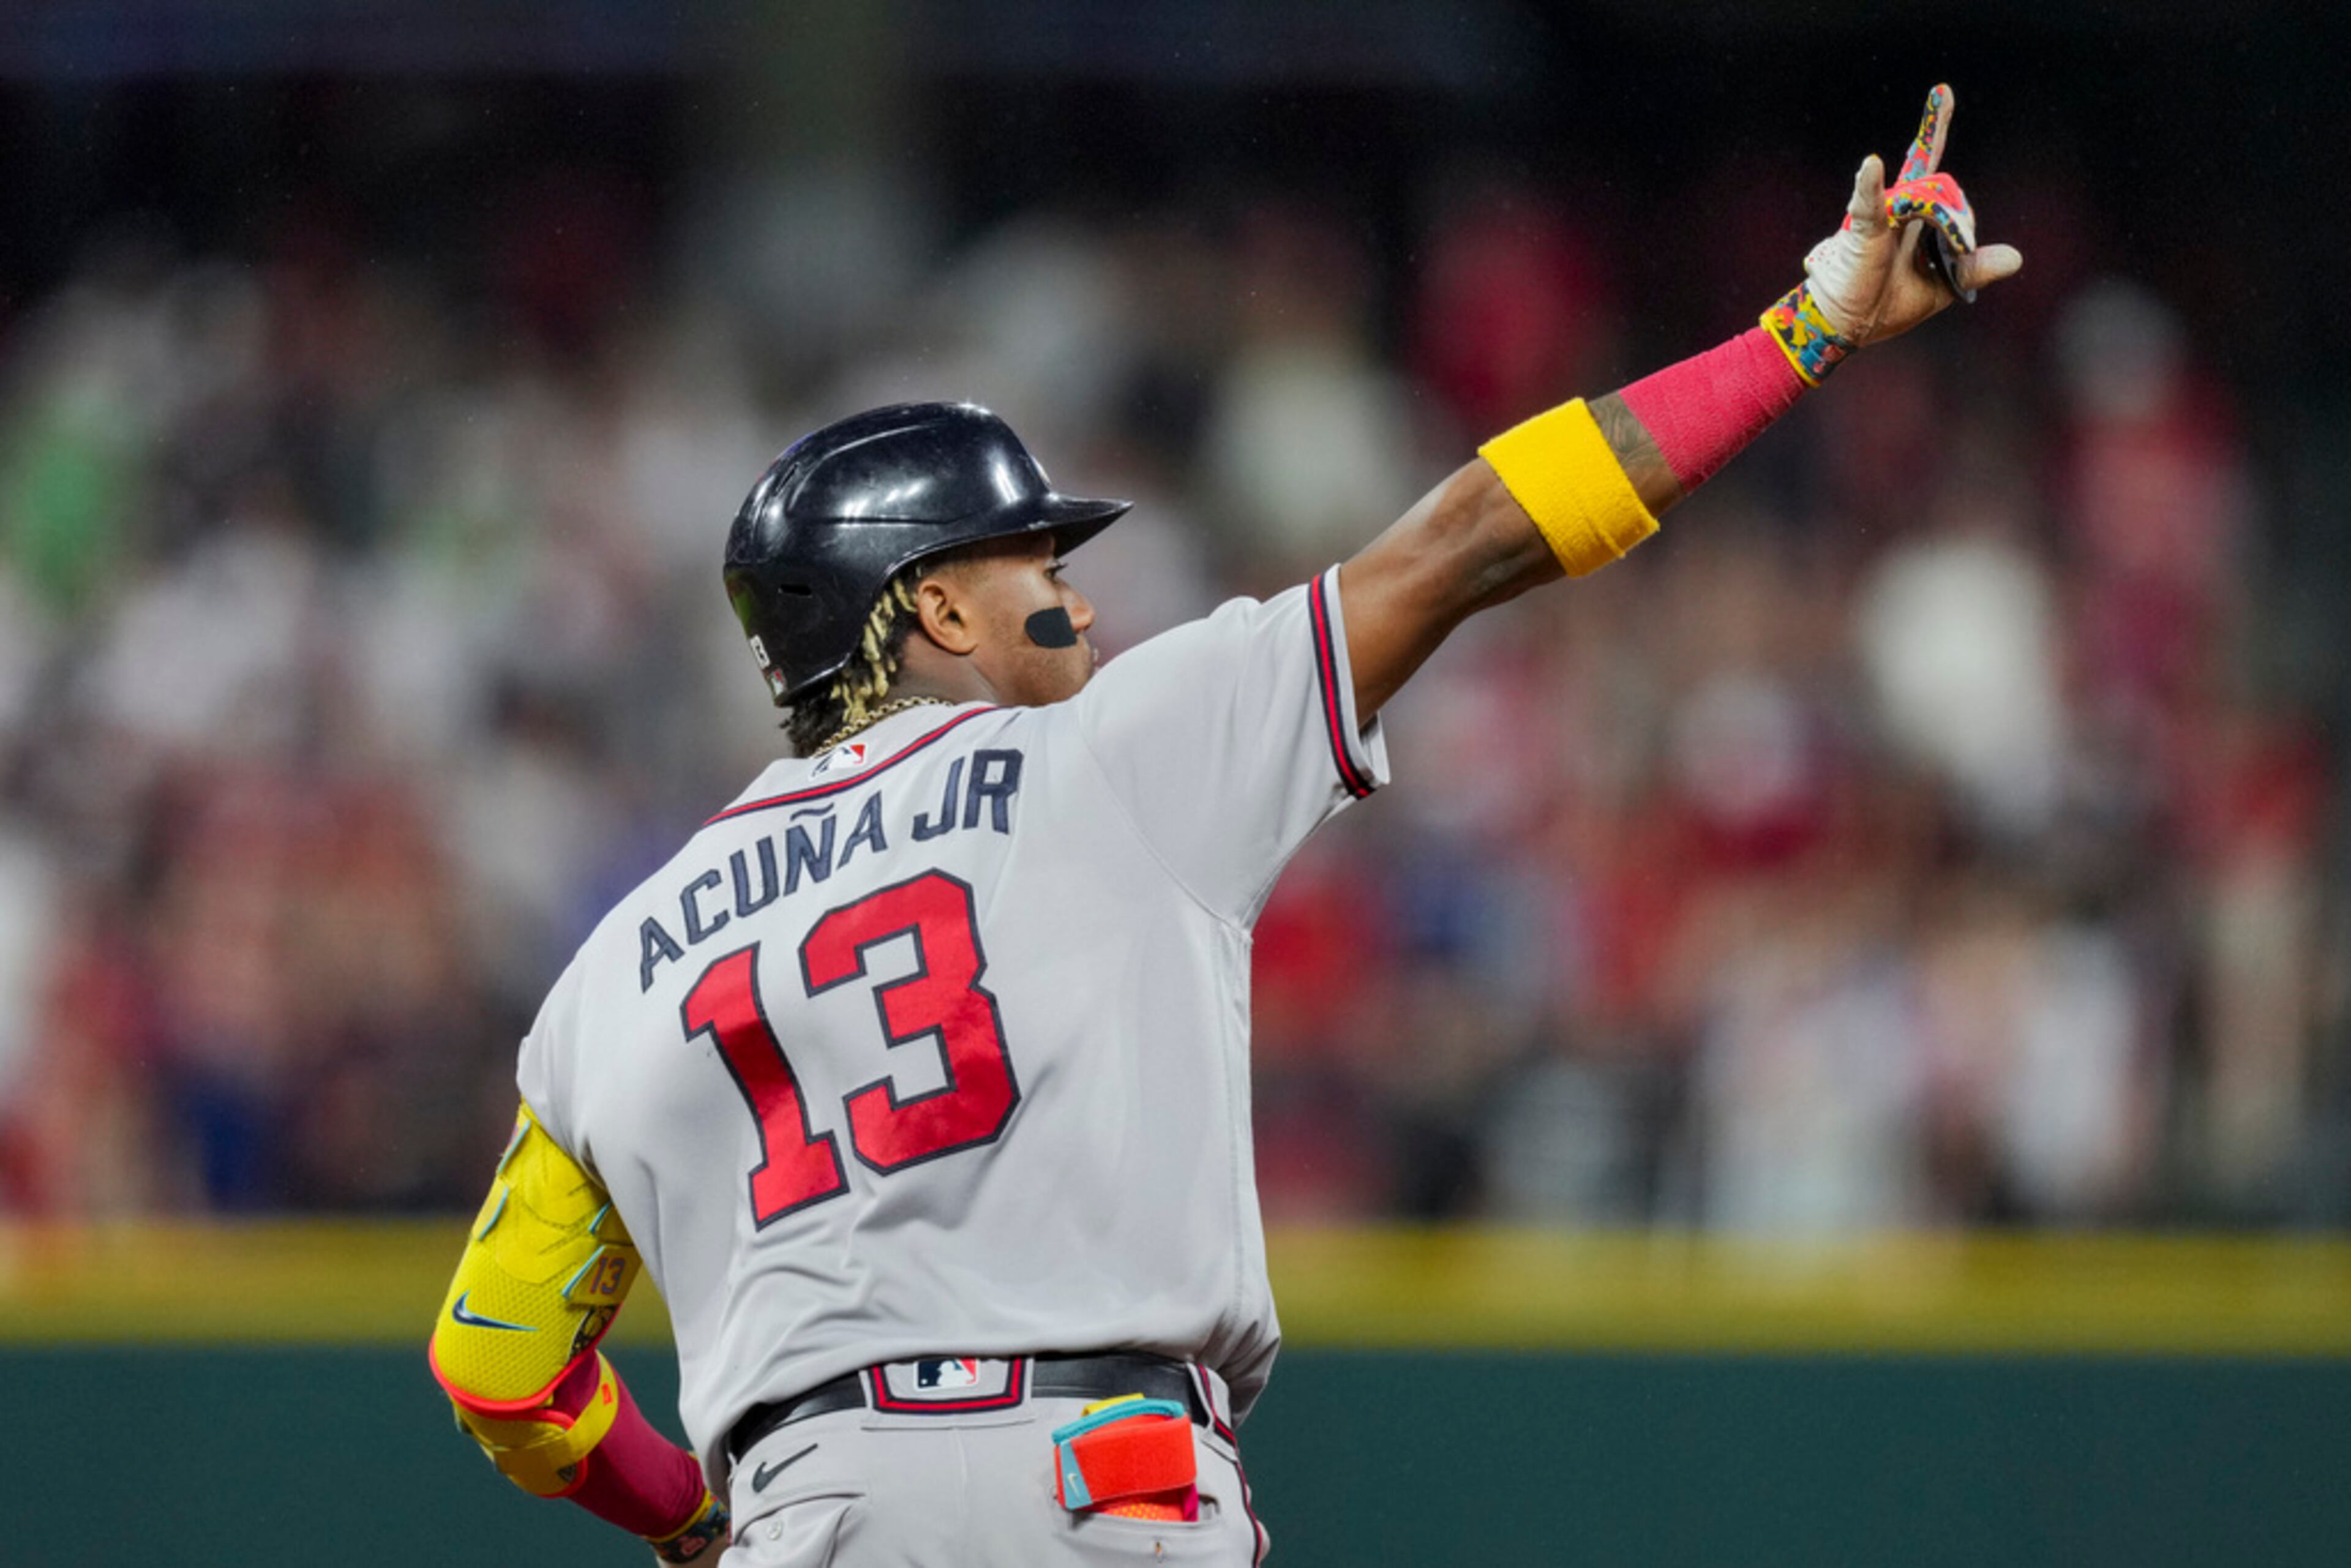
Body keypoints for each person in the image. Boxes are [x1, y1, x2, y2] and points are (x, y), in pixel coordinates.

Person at [426, 86, 2019, 1566]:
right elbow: (1469, 536)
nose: (1076, 597)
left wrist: (691, 1520)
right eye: (1030, 566)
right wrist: (1806, 331)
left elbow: (497, 1362)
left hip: (812, 1511)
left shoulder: (623, 960)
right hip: (1102, 1478)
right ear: (930, 608)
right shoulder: (1118, 753)